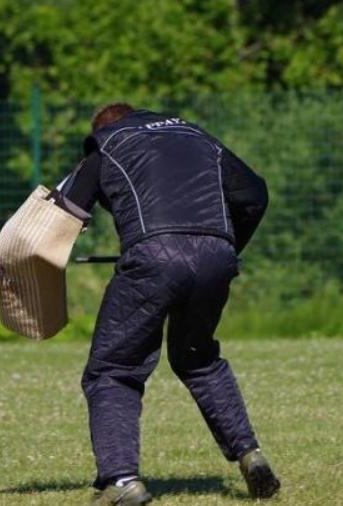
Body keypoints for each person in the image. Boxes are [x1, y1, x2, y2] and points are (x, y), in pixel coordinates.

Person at [59, 103, 280, 505]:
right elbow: (254, 194)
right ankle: (251, 454)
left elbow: (62, 215)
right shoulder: (198, 137)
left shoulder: (107, 144)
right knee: (198, 358)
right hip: (217, 254)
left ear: (101, 128)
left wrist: (25, 265)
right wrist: (227, 246)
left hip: (153, 256)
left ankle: (123, 481)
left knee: (114, 369)